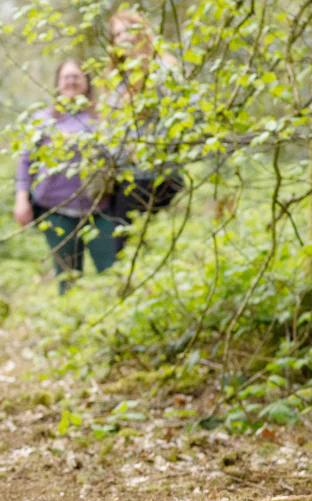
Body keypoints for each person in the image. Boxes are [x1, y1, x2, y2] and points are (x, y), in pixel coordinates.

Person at [15, 59, 120, 294]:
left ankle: (115, 323)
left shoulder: (103, 119)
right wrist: (21, 199)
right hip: (56, 212)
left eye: (77, 77)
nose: (71, 82)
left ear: (87, 84)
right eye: (66, 77)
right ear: (58, 83)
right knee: (68, 278)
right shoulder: (43, 120)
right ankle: (71, 324)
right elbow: (26, 161)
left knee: (113, 275)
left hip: (99, 210)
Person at [104, 10, 185, 219]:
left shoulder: (163, 70)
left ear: (142, 33)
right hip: (124, 179)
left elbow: (183, 116)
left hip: (155, 178)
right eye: (117, 34)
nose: (123, 38)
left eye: (128, 31)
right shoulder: (118, 79)